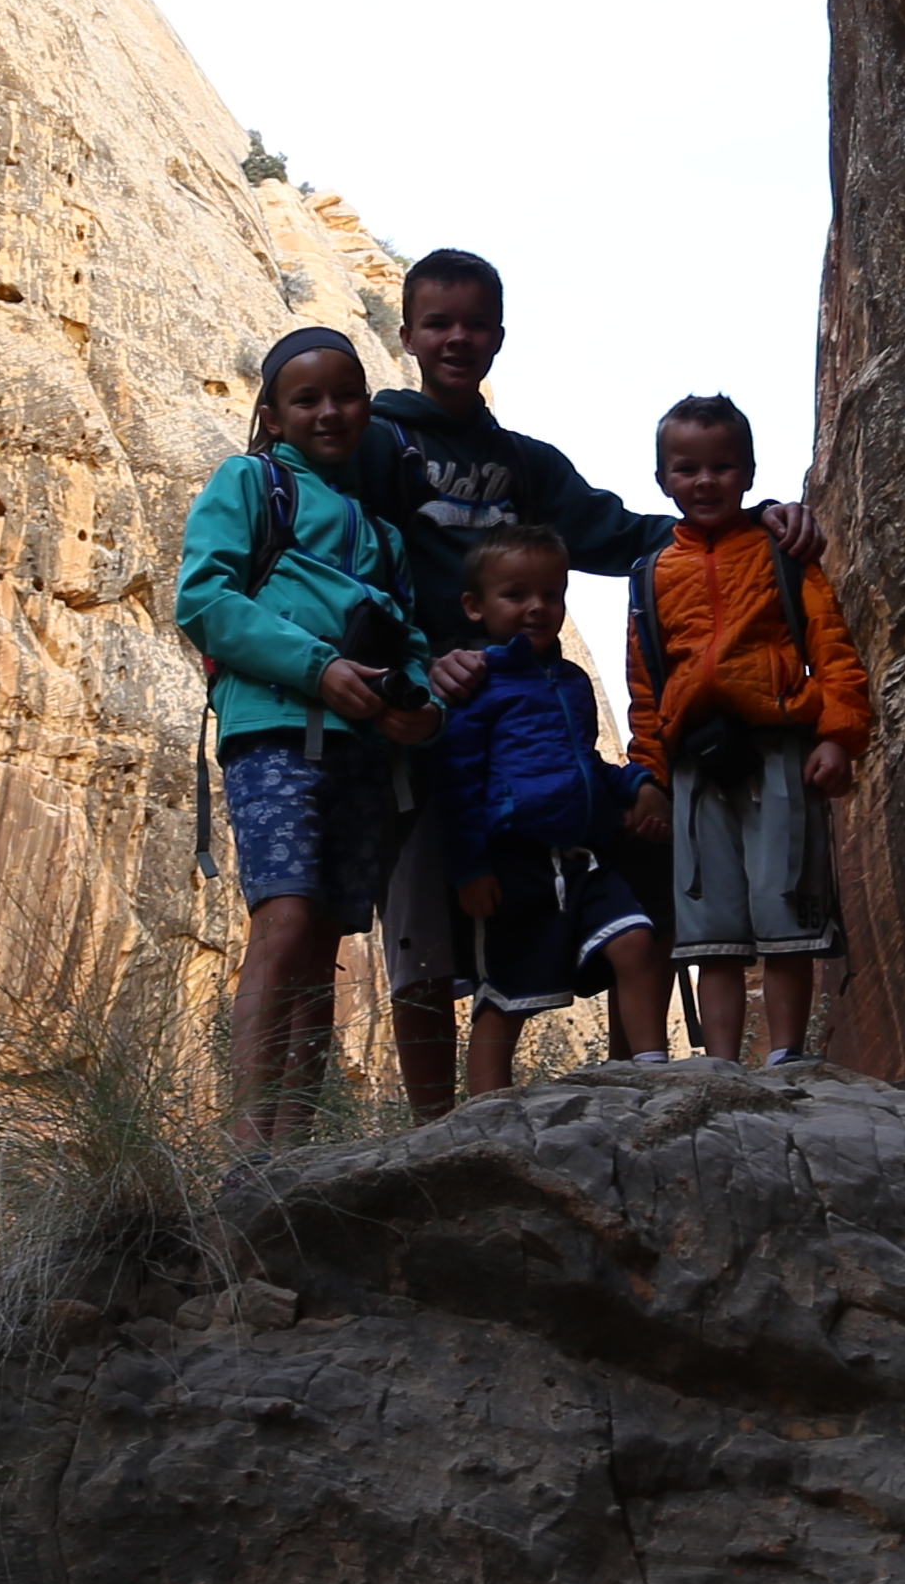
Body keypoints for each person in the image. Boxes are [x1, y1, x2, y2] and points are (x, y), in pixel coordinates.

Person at [366, 249, 809, 1115]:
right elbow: (350, 566)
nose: (458, 339)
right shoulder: (382, 445)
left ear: (500, 334)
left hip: (531, 713)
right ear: (411, 333)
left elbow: (624, 535)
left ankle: (634, 1083)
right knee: (426, 929)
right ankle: (431, 1128)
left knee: (643, 849)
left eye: (475, 323)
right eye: (439, 323)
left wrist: (745, 526)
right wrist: (416, 665)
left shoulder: (524, 464)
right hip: (428, 717)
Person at [173, 326, 439, 1135]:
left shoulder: (384, 538)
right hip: (276, 731)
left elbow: (411, 643)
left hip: (363, 749)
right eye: (308, 399)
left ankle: (291, 1145)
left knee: (322, 939)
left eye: (347, 395)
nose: (331, 412)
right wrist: (320, 668)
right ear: (275, 416)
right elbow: (205, 600)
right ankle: (249, 1141)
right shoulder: (252, 484)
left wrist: (418, 706)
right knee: (285, 919)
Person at [625, 391, 871, 1066]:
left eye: (723, 467)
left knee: (785, 906)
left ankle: (786, 1055)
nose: (705, 482)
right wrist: (648, 776)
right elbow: (645, 688)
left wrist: (837, 737)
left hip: (777, 752)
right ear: (661, 480)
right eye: (686, 469)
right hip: (695, 768)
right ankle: (721, 1066)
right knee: (712, 927)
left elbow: (833, 648)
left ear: (751, 472)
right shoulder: (651, 575)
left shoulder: (782, 555)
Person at [431, 530, 673, 1090]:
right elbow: (458, 783)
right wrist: (470, 869)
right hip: (515, 861)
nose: (537, 607)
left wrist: (637, 784)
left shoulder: (570, 682)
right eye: (516, 595)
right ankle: (485, 1117)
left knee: (636, 943)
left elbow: (585, 763)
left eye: (552, 594)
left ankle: (651, 1079)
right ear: (476, 606)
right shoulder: (479, 684)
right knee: (507, 996)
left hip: (584, 856)